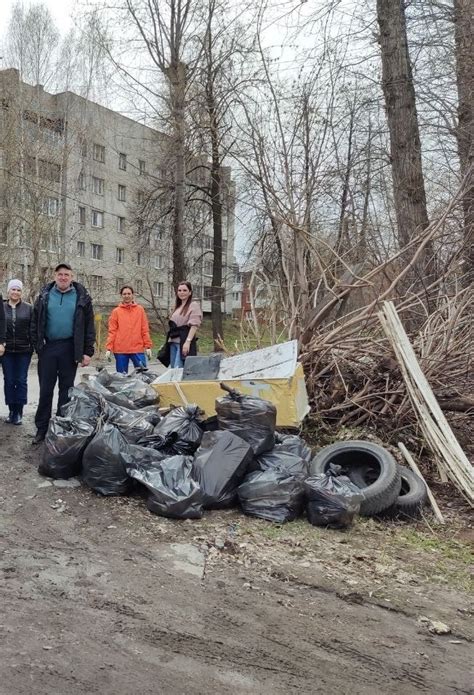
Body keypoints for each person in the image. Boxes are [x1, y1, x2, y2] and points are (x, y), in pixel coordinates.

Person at [31, 263, 95, 444]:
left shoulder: (82, 297)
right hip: (48, 348)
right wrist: (37, 345)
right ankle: (41, 429)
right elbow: (35, 321)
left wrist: (87, 351)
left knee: (66, 391)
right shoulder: (44, 295)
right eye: (60, 274)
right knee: (45, 390)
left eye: (67, 274)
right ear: (54, 276)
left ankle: (60, 427)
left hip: (70, 348)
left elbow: (89, 326)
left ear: (72, 277)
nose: (63, 277)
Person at [1, 280, 33, 425]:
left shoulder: (28, 308)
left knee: (21, 380)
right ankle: (11, 411)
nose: (15, 292)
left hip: (23, 350)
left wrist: (32, 344)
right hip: (6, 351)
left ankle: (19, 412)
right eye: (13, 289)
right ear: (8, 291)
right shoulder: (1, 307)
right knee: (9, 380)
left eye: (18, 290)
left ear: (21, 292)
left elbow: (33, 328)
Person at [105, 285, 152, 373]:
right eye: (124, 294)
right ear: (121, 296)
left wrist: (148, 346)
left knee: (143, 375)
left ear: (133, 295)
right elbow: (112, 331)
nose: (127, 296)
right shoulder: (116, 312)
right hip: (120, 349)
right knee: (122, 377)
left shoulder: (140, 310)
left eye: (129, 293)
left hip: (137, 348)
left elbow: (144, 329)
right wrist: (109, 348)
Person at [166, 281, 202, 369]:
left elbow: (194, 326)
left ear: (190, 292)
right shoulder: (177, 307)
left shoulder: (193, 305)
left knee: (179, 369)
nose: (182, 293)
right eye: (180, 290)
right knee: (173, 370)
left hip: (183, 342)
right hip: (173, 342)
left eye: (185, 290)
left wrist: (188, 342)